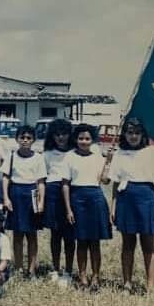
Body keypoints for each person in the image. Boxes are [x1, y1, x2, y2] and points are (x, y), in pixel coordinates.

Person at [103, 117, 154, 293]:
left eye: (137, 133)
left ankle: (150, 286)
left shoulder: (152, 153)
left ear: (143, 135)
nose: (133, 136)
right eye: (130, 132)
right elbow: (114, 183)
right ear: (125, 134)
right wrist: (113, 207)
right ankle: (127, 283)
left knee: (148, 244)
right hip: (125, 199)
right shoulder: (119, 153)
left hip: (146, 198)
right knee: (128, 244)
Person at [61, 124, 112, 290]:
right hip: (77, 199)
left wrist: (109, 161)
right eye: (81, 138)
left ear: (93, 140)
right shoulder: (69, 157)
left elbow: (105, 181)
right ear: (75, 139)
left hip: (96, 198)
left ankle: (96, 277)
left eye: (88, 138)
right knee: (81, 241)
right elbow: (66, 184)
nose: (84, 141)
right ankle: (82, 277)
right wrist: (68, 209)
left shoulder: (98, 157)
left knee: (94, 242)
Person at [1, 125, 46, 279]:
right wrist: (6, 198)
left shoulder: (38, 158)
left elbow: (40, 182)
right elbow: (5, 178)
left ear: (33, 140)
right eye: (22, 137)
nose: (25, 140)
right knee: (18, 234)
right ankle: (19, 268)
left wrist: (41, 202)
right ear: (17, 139)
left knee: (32, 234)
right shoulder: (11, 156)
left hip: (31, 195)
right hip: (16, 195)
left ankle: (32, 269)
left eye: (28, 138)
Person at [43, 119, 76, 285]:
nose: (61, 137)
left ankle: (69, 271)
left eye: (64, 134)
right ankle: (55, 269)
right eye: (57, 134)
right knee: (55, 233)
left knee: (70, 234)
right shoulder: (47, 154)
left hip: (70, 193)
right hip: (53, 193)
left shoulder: (75, 152)